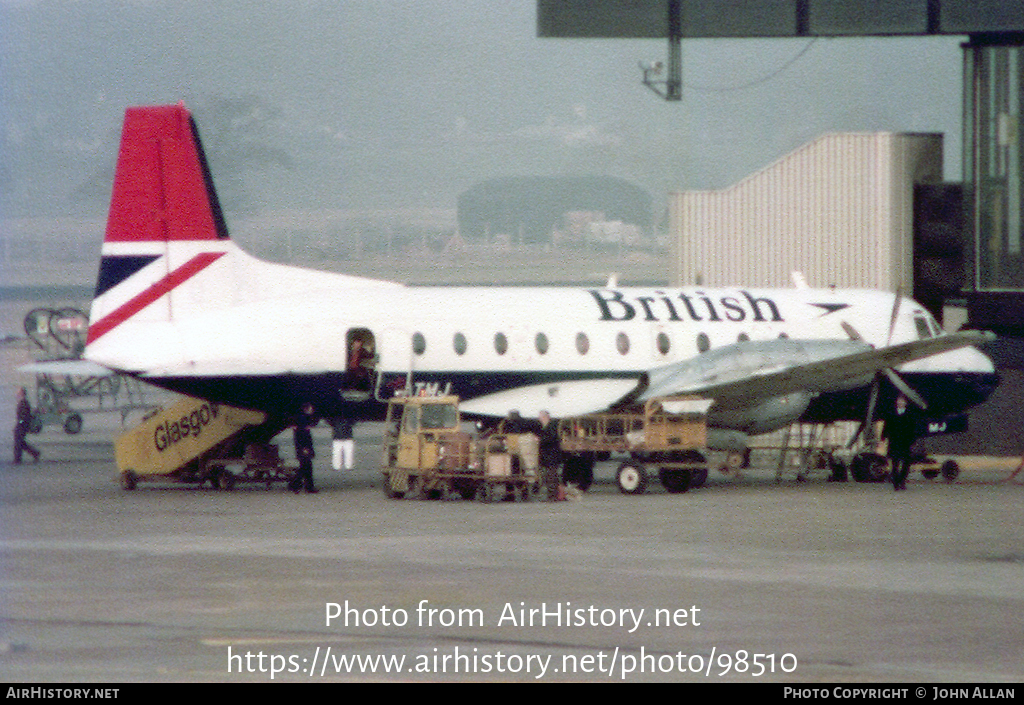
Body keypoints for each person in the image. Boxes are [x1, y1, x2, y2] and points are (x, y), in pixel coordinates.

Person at [883, 395, 917, 491]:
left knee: (906, 463)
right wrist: (884, 436)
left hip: (905, 441)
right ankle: (896, 483)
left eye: (902, 401)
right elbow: (887, 425)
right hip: (894, 441)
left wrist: (913, 439)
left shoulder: (910, 413)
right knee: (895, 463)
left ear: (905, 403)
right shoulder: (891, 413)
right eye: (899, 401)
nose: (900, 403)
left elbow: (913, 427)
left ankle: (902, 480)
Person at [289, 402, 319, 493]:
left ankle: (299, 484)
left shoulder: (301, 418)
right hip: (304, 447)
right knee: (306, 467)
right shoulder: (303, 419)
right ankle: (299, 484)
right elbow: (303, 435)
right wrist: (305, 448)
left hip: (302, 446)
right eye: (310, 408)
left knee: (305, 467)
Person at [537, 410, 563, 501]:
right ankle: (552, 495)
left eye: (541, 416)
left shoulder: (552, 426)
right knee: (549, 476)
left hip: (551, 455)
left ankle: (552, 496)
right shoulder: (544, 427)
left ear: (546, 417)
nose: (539, 418)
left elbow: (551, 439)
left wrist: (539, 440)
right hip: (547, 455)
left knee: (551, 476)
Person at [13, 387, 40, 464]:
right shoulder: (23, 402)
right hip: (22, 425)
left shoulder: (24, 402)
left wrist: (20, 423)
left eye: (18, 392)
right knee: (21, 442)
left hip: (22, 425)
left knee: (18, 442)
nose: (16, 393)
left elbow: (24, 416)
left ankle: (17, 459)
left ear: (22, 393)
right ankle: (35, 453)